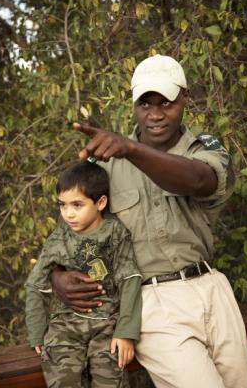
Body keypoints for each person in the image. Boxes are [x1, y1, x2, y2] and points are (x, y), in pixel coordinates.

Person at [51, 55, 247, 388]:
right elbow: (71, 234)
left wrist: (131, 149)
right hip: (153, 303)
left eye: (167, 103)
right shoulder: (105, 169)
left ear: (185, 98)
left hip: (212, 288)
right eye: (145, 103)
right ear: (133, 104)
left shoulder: (206, 149)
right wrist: (58, 276)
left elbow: (197, 180)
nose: (156, 114)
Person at [25, 161, 142, 388]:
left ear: (100, 202)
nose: (68, 214)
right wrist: (37, 333)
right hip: (66, 326)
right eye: (63, 205)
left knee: (110, 380)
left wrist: (126, 332)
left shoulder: (115, 233)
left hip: (108, 325)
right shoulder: (59, 239)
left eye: (77, 205)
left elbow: (130, 279)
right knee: (62, 379)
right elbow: (35, 285)